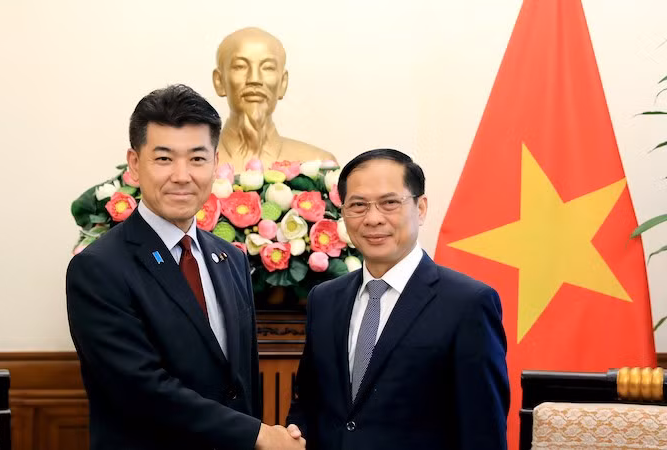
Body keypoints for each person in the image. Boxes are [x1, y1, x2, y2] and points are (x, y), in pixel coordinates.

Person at [67, 84, 305, 450]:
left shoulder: (231, 258)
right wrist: (257, 435)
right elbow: (139, 390)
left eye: (196, 158)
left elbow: (240, 383)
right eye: (164, 159)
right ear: (134, 164)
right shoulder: (99, 268)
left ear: (215, 162)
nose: (182, 175)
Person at [286, 149, 510, 449]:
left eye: (390, 203)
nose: (373, 219)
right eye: (358, 205)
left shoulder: (468, 303)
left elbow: (482, 429)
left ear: (420, 208)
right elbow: (309, 401)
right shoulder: (325, 299)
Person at [212, 27, 337, 172]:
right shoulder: (194, 166)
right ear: (219, 81)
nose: (254, 79)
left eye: (268, 68)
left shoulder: (319, 164)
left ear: (283, 83)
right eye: (240, 66)